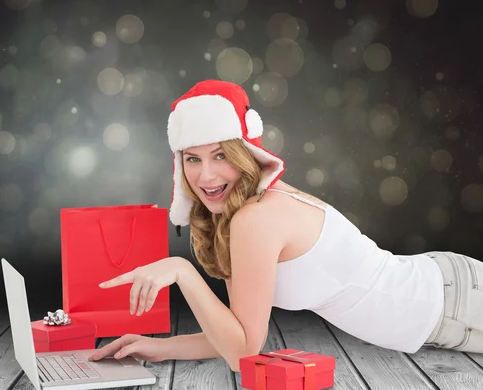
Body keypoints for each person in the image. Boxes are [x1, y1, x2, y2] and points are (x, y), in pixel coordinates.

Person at [88, 79, 483, 372]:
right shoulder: (238, 213)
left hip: (454, 303)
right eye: (192, 159)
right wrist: (158, 348)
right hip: (440, 297)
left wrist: (181, 271)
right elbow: (239, 337)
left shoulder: (255, 219)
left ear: (245, 154)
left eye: (220, 155)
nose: (206, 176)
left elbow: (243, 355)